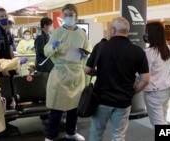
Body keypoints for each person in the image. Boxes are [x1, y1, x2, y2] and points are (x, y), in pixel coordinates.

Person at [85, 17, 150, 141]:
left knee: (96, 134)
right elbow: (145, 80)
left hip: (101, 100)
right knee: (118, 136)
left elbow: (87, 70)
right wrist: (132, 92)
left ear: (113, 30)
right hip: (123, 102)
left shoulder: (100, 46)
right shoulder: (138, 51)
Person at [44, 4, 90, 141]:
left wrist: (85, 54)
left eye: (71, 14)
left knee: (74, 108)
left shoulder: (81, 33)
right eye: (66, 15)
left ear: (76, 15)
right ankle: (50, 136)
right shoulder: (57, 32)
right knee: (57, 108)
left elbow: (88, 49)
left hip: (76, 74)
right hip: (60, 73)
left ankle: (71, 132)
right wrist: (52, 47)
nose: (68, 17)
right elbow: (46, 50)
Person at [143, 22, 170, 126]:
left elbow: (144, 74)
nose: (145, 34)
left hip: (154, 92)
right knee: (163, 120)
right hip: (166, 90)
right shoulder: (167, 49)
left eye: (147, 32)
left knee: (158, 123)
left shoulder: (148, 52)